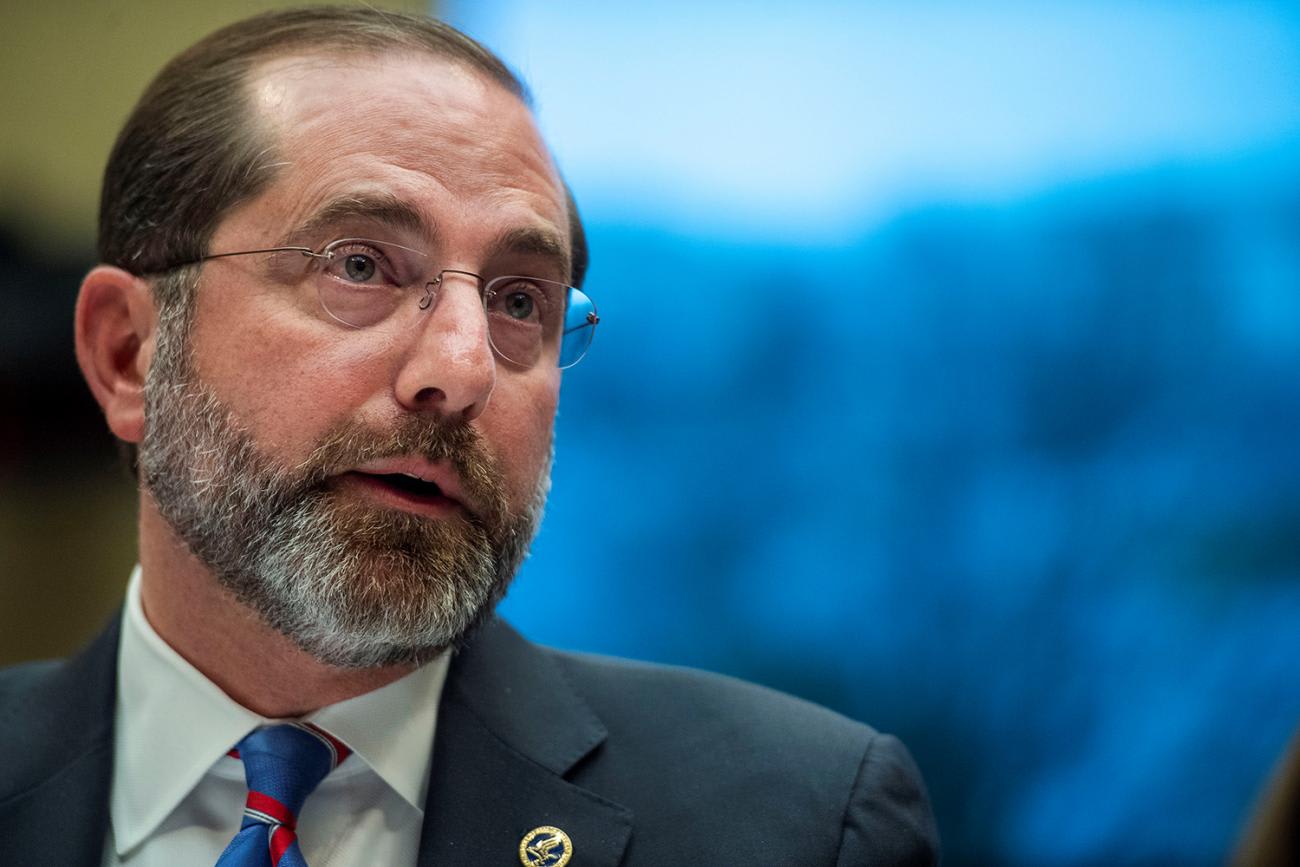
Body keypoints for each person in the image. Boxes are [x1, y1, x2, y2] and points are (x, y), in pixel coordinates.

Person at [0, 7, 938, 865]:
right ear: (128, 354)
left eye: (519, 300)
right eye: (359, 265)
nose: (463, 368)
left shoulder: (804, 822)